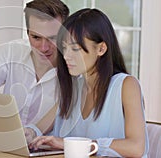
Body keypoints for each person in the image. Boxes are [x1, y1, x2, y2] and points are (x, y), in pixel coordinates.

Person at [27, 8, 149, 157]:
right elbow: (38, 129)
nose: (66, 56)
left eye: (75, 49)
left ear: (101, 48)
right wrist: (28, 133)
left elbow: (136, 148)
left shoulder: (126, 85)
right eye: (64, 48)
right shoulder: (75, 88)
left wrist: (74, 144)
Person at [0, 0, 69, 133]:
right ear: (27, 33)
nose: (43, 47)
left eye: (52, 38)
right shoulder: (13, 51)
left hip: (45, 148)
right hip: (4, 140)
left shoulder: (74, 68)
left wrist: (32, 133)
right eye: (36, 37)